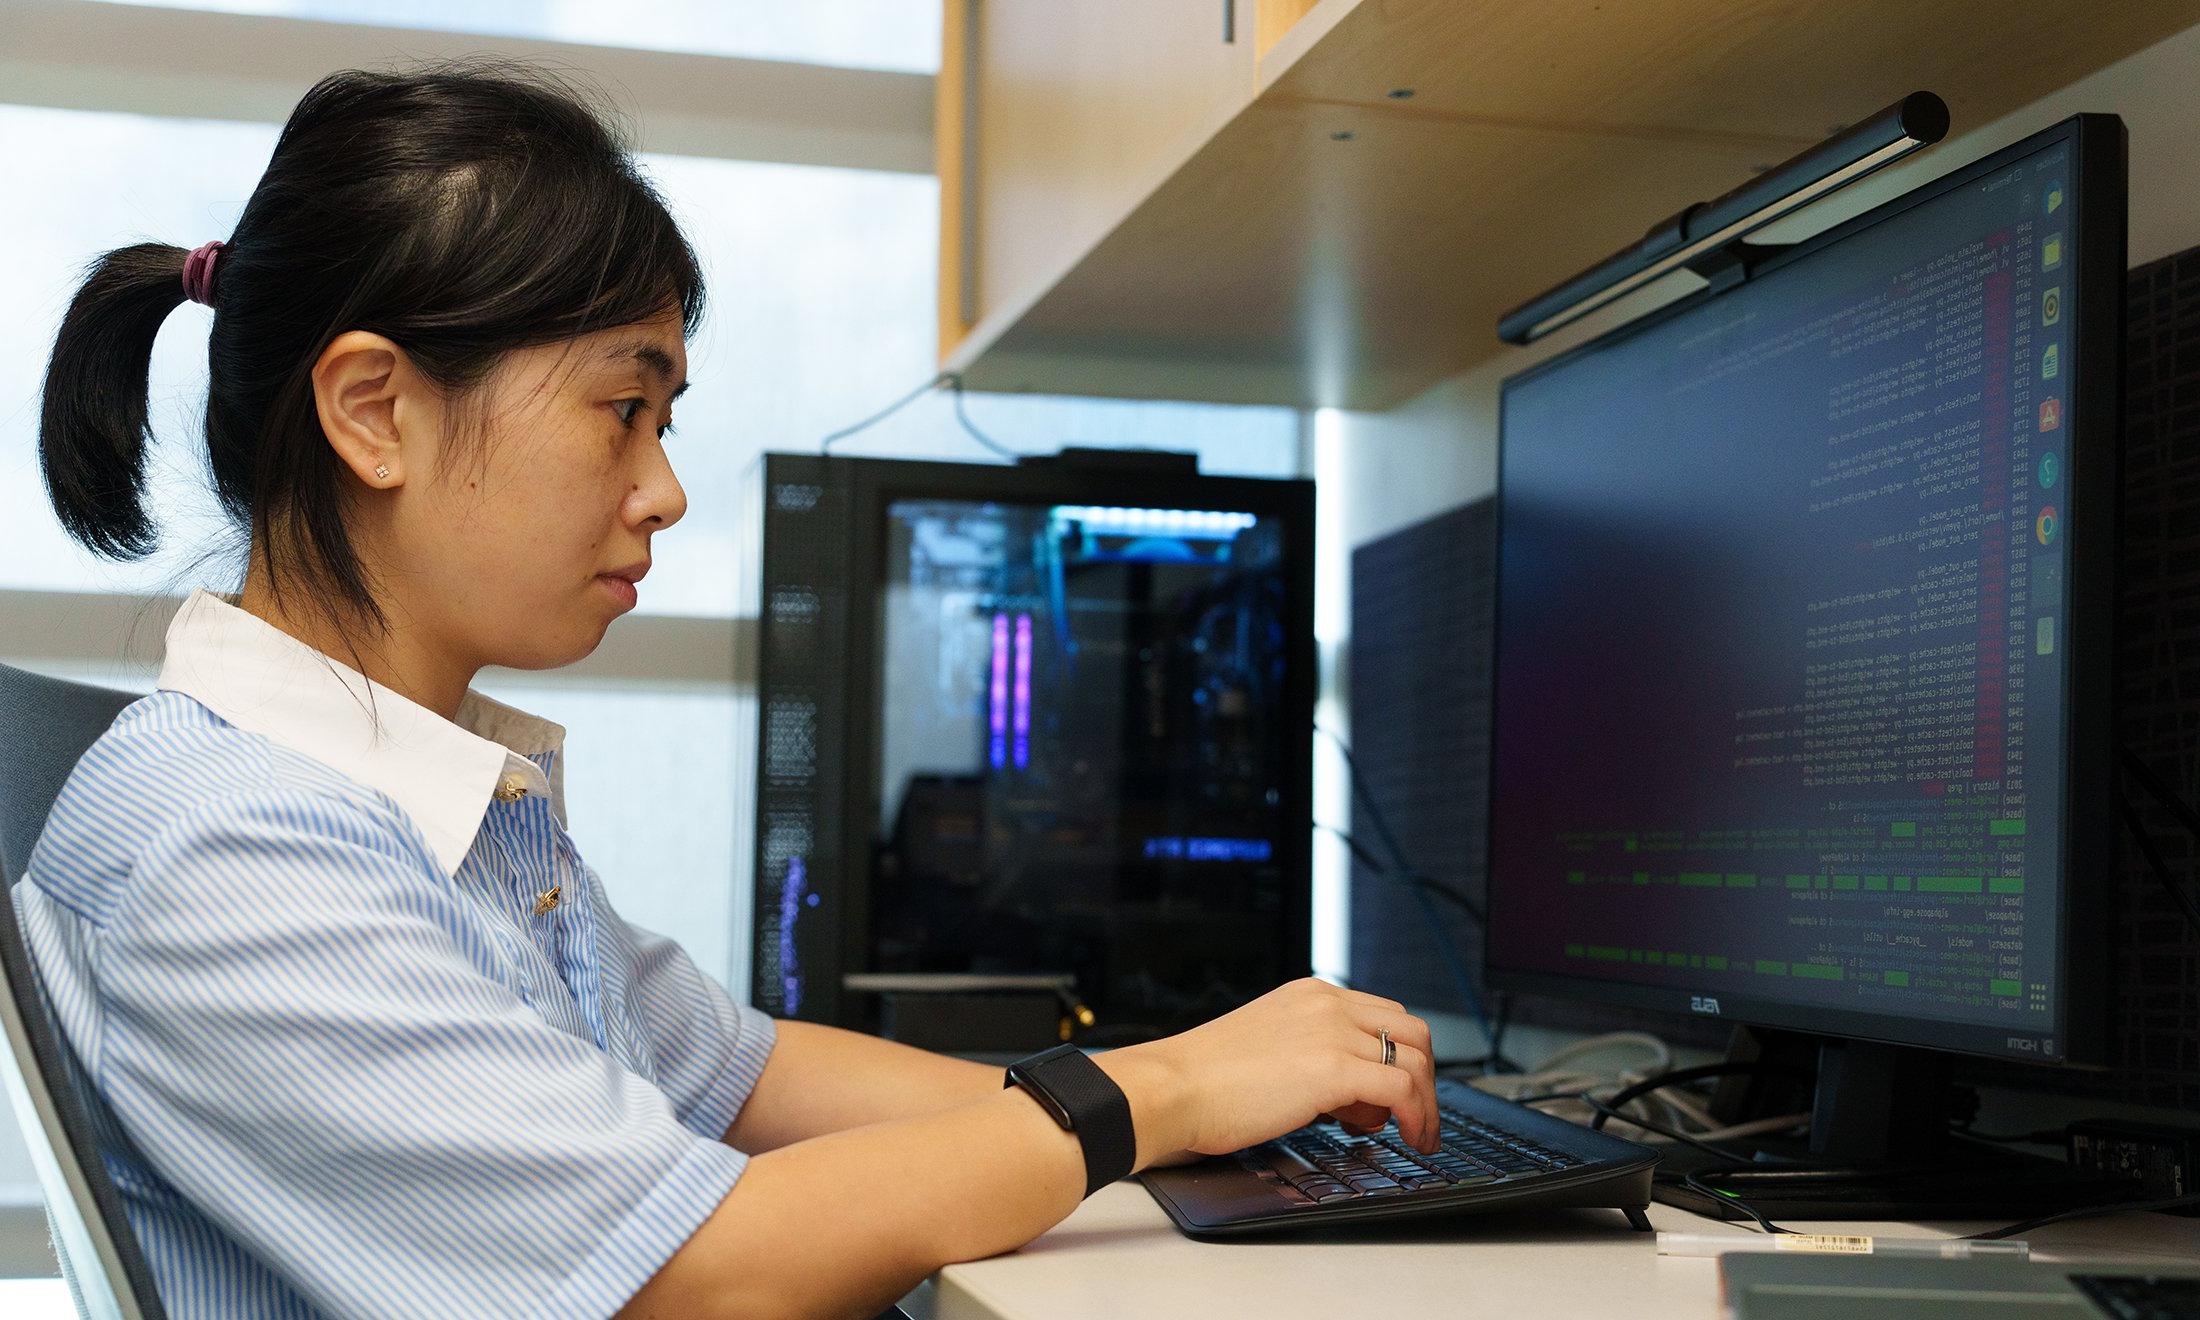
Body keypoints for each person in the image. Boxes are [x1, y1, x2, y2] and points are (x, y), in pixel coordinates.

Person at [21, 62, 1438, 1320]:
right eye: (621, 411)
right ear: (375, 410)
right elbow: (698, 1277)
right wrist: (1161, 1097)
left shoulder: (410, 800)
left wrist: (1209, 1084)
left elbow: (746, 1077)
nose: (665, 489)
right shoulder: (238, 856)